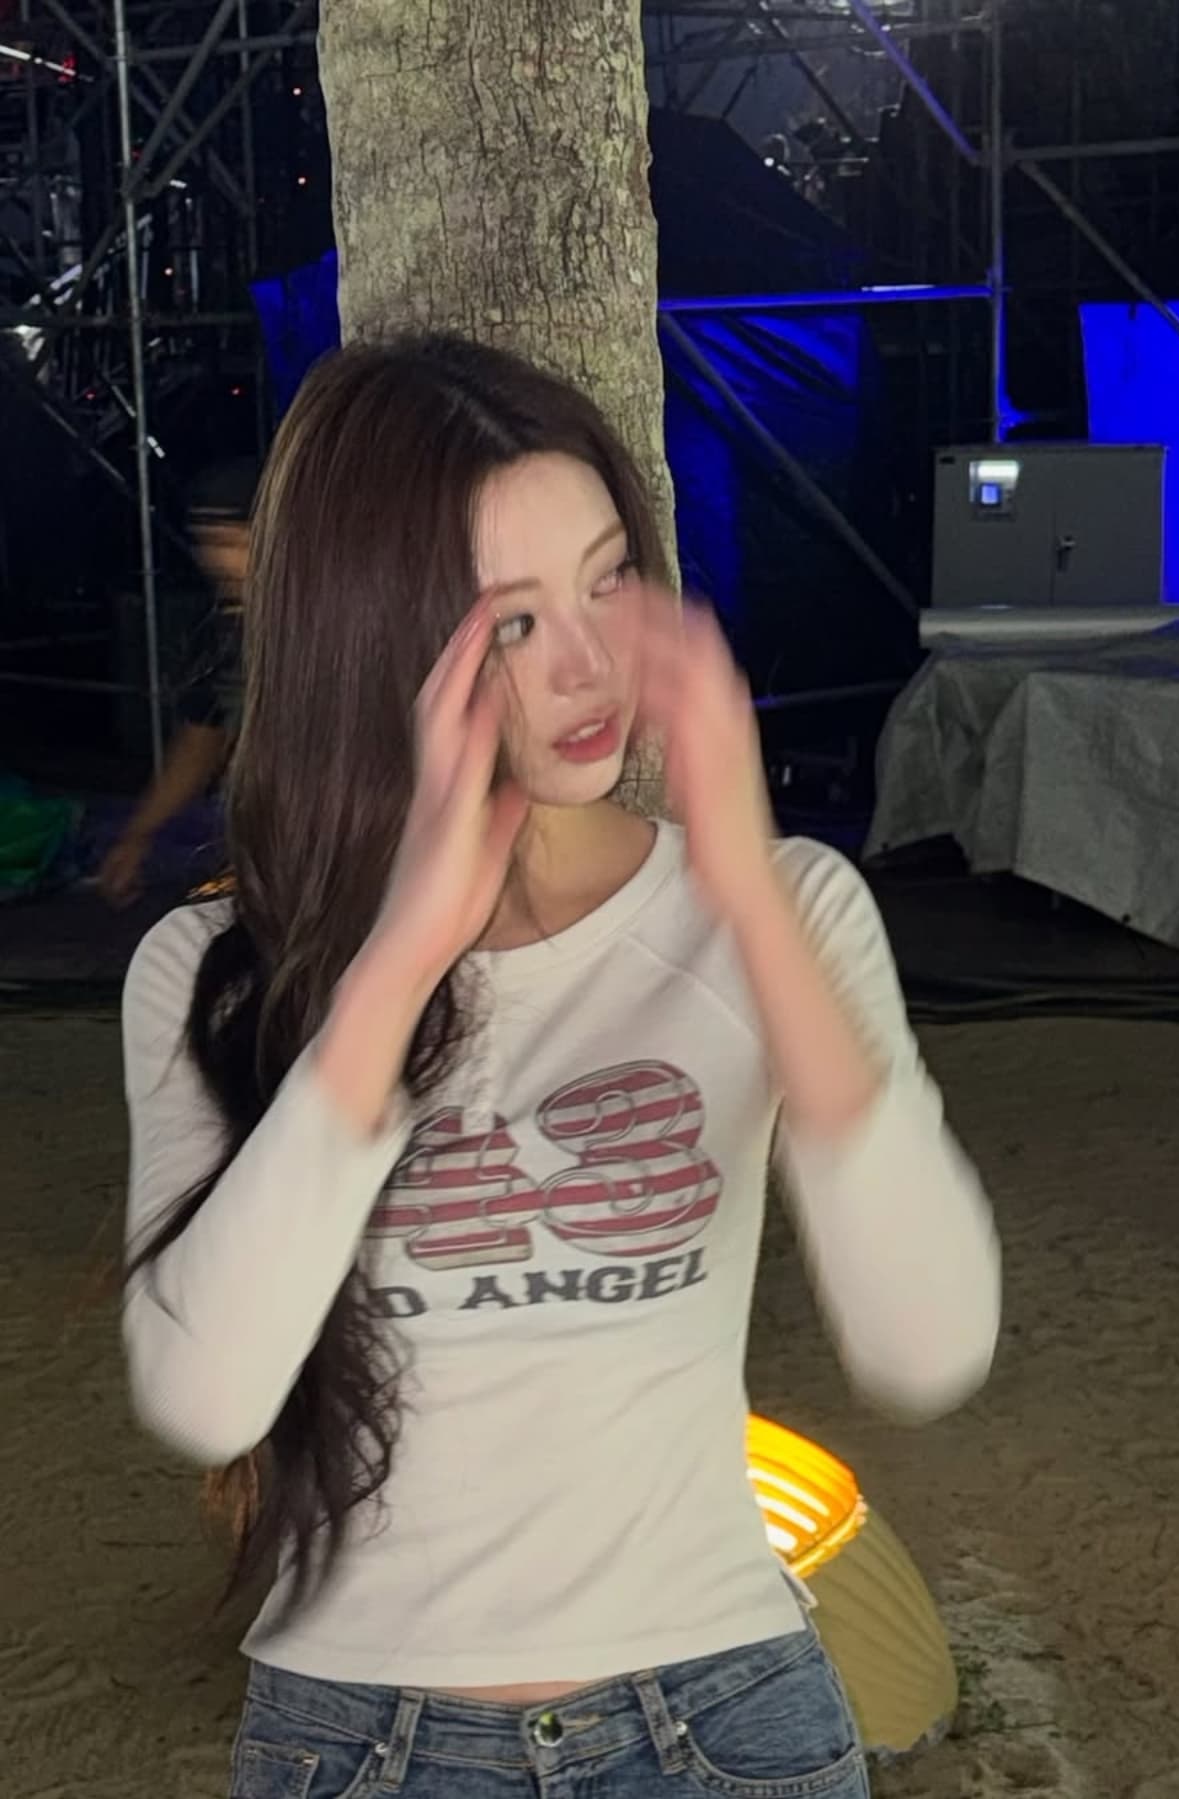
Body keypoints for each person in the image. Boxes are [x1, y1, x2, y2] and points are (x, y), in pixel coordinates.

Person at [119, 335, 1001, 1799]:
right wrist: (400, 956)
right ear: (379, 638)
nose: (588, 664)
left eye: (608, 582)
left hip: (724, 1717)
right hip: (362, 1738)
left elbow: (930, 1344)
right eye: (514, 621)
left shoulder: (781, 907)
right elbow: (207, 1393)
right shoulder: (211, 971)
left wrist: (744, 885)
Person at [98, 459, 256, 906]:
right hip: (267, 844)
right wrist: (139, 834)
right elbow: (199, 740)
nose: (216, 560)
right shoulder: (221, 633)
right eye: (207, 542)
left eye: (232, 542)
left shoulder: (338, 622)